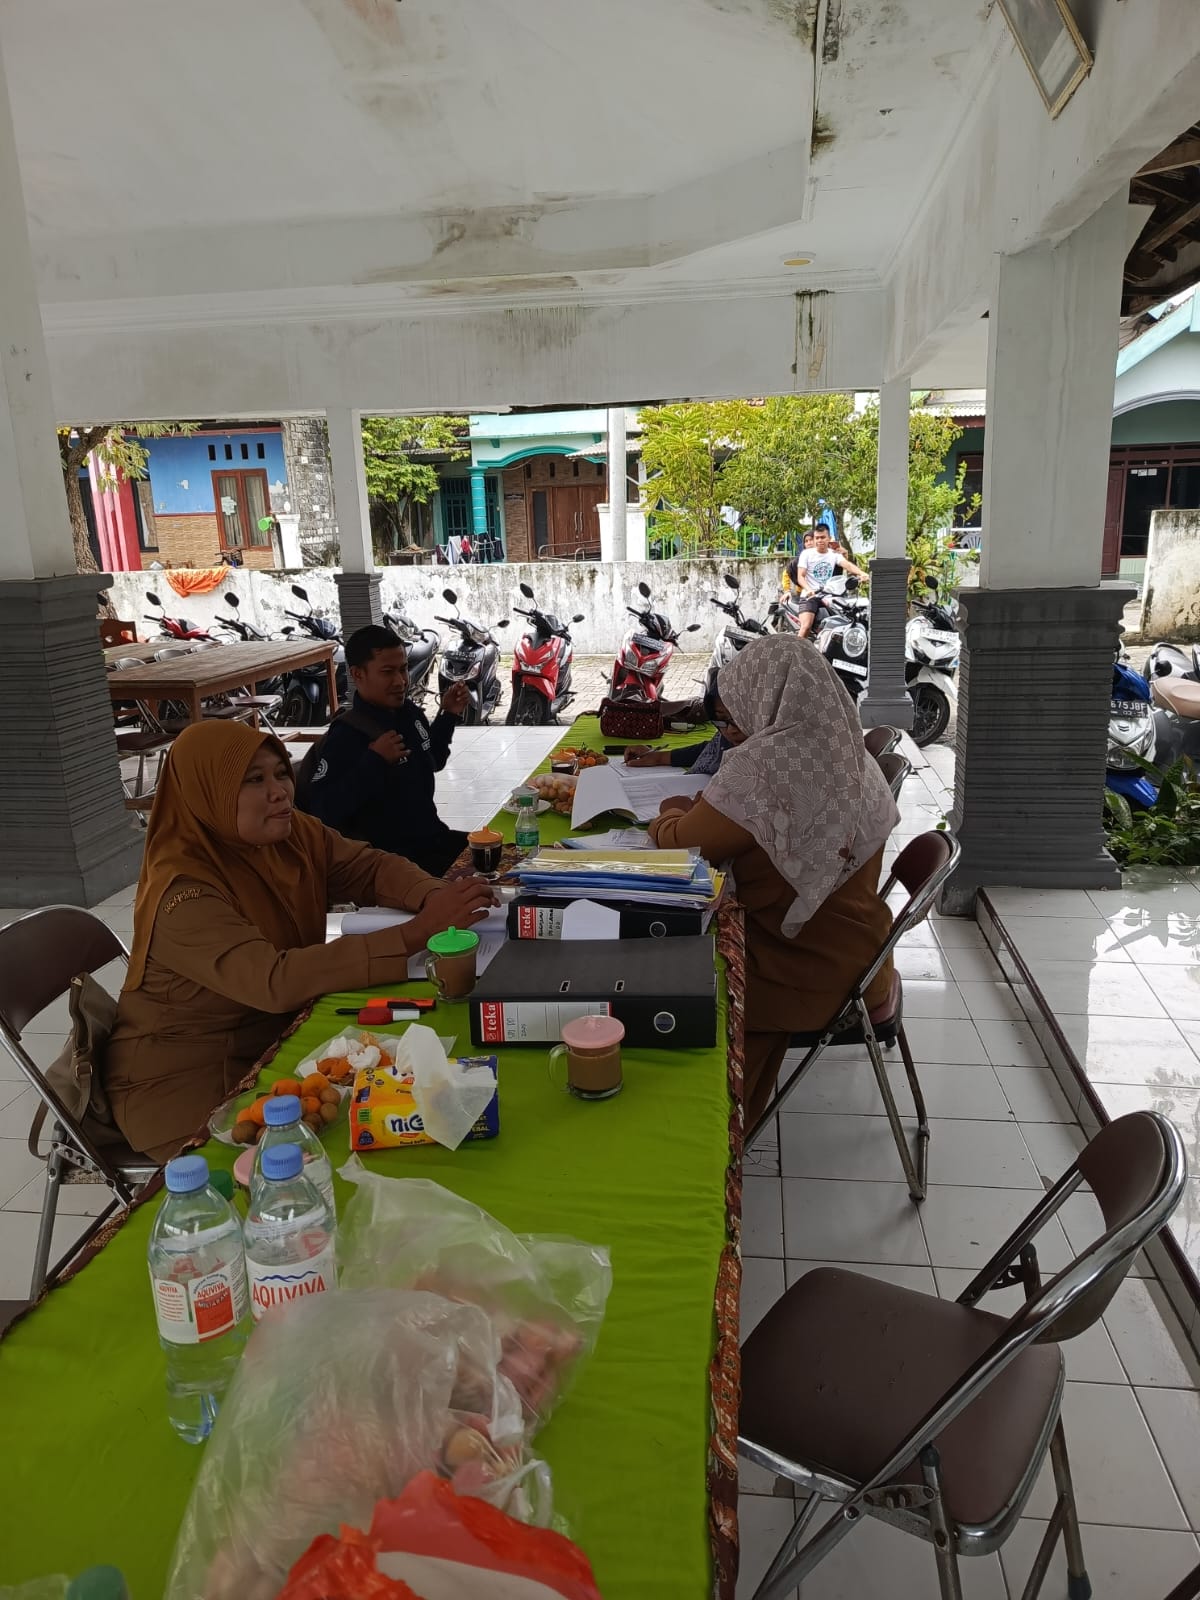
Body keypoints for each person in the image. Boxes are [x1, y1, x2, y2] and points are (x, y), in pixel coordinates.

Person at [105, 721, 494, 1163]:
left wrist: (434, 896)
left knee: (415, 1104)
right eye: (253, 779)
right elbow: (275, 980)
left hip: (279, 1036)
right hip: (190, 1082)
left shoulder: (287, 835)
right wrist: (415, 932)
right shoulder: (182, 891)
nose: (279, 792)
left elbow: (367, 868)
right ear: (205, 792)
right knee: (355, 1160)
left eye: (280, 773)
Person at [647, 635, 899, 1128]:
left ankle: (696, 1127)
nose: (731, 728)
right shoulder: (850, 753)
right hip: (863, 953)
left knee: (667, 982)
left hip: (797, 967)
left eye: (733, 711)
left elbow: (679, 843)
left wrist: (667, 814)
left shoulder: (764, 768)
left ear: (762, 695)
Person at [302, 625, 470, 876]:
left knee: (508, 853)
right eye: (387, 672)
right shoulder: (348, 734)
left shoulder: (410, 714)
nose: (400, 681)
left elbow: (434, 760)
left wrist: (447, 716)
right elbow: (323, 812)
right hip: (390, 863)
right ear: (358, 674)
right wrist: (374, 761)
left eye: (403, 669)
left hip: (433, 840)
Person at [623, 690, 746, 774]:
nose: (731, 730)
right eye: (721, 718)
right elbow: (710, 750)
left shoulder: (761, 763)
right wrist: (658, 757)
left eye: (739, 718)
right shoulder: (724, 745)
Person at [783, 526, 867, 638]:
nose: (819, 540)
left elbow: (847, 565)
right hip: (810, 596)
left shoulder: (834, 555)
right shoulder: (806, 554)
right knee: (806, 626)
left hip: (829, 596)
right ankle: (795, 654)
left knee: (848, 618)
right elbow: (801, 577)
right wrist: (809, 589)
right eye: (817, 538)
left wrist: (861, 573)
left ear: (829, 538)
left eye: (822, 537)